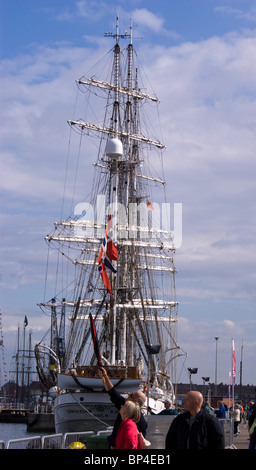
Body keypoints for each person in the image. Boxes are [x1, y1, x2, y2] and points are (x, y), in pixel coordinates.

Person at [98, 367, 147, 448]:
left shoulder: (132, 424)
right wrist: (105, 376)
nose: (127, 394)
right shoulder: (126, 406)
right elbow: (112, 392)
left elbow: (131, 443)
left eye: (131, 395)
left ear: (135, 402)